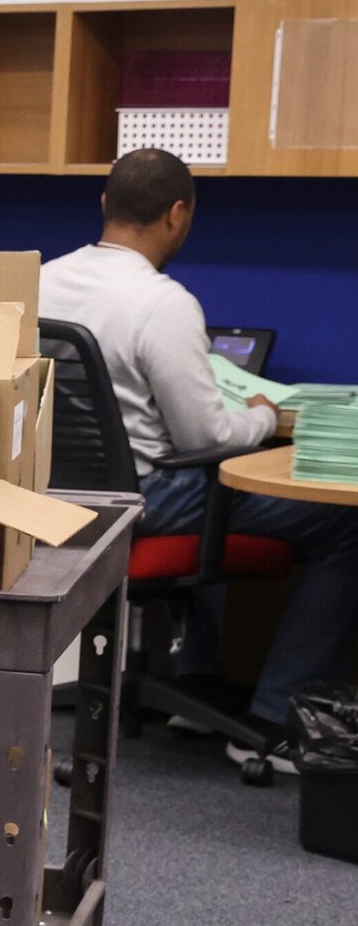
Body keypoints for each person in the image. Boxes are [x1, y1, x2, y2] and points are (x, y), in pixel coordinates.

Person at [39, 147, 358, 773]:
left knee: (208, 482)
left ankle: (199, 682)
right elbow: (205, 434)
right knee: (343, 524)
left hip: (54, 500)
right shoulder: (164, 303)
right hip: (145, 503)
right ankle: (275, 719)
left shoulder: (39, 280)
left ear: (104, 204)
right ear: (178, 214)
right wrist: (265, 416)